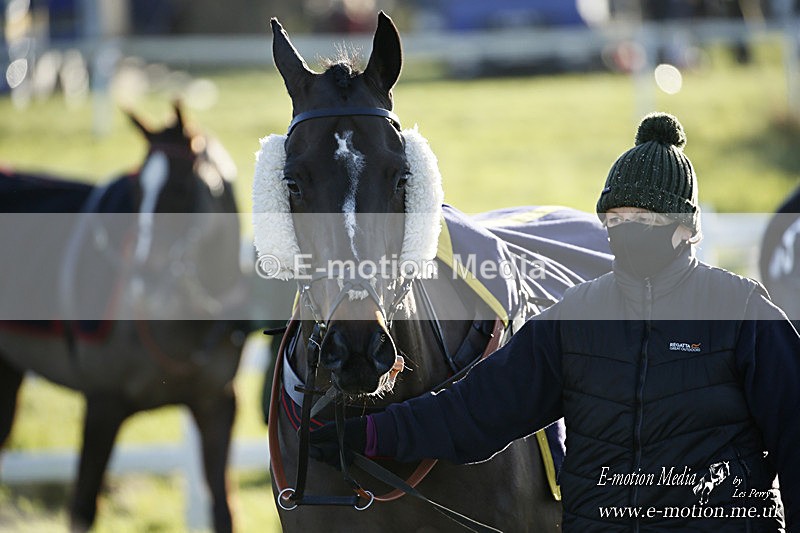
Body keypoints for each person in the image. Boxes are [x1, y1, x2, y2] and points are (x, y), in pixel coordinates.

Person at [310, 112, 800, 532]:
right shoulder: (575, 320)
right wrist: (371, 436)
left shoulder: (743, 315)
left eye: (645, 222)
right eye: (616, 220)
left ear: (684, 229)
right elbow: (477, 409)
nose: (627, 231)